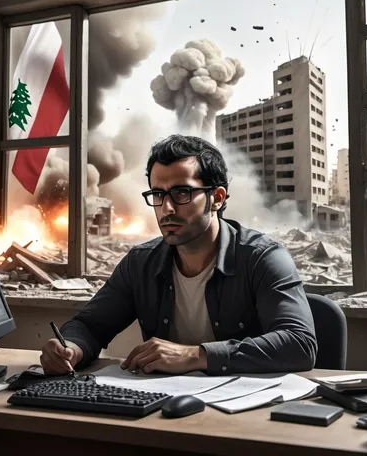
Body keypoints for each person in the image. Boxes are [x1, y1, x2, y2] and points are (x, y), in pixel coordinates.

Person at [40, 134, 317, 376]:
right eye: (158, 194)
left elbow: (299, 344)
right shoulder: (140, 263)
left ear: (217, 198)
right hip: (163, 412)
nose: (167, 208)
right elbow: (90, 325)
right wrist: (70, 349)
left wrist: (193, 356)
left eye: (182, 192)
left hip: (244, 415)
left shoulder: (262, 257)